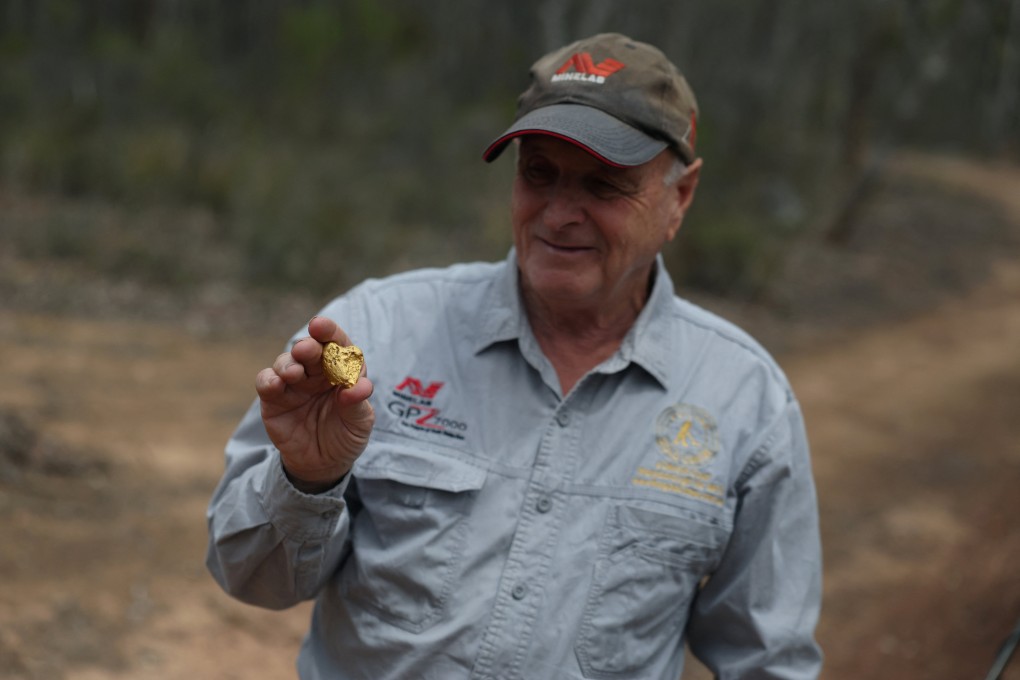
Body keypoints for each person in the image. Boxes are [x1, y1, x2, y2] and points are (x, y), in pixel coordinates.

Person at [206, 32, 823, 680]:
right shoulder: (369, 336)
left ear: (681, 197)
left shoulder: (744, 401)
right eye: (539, 174)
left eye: (604, 186)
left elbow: (768, 661)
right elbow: (248, 577)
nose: (559, 214)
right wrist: (308, 480)